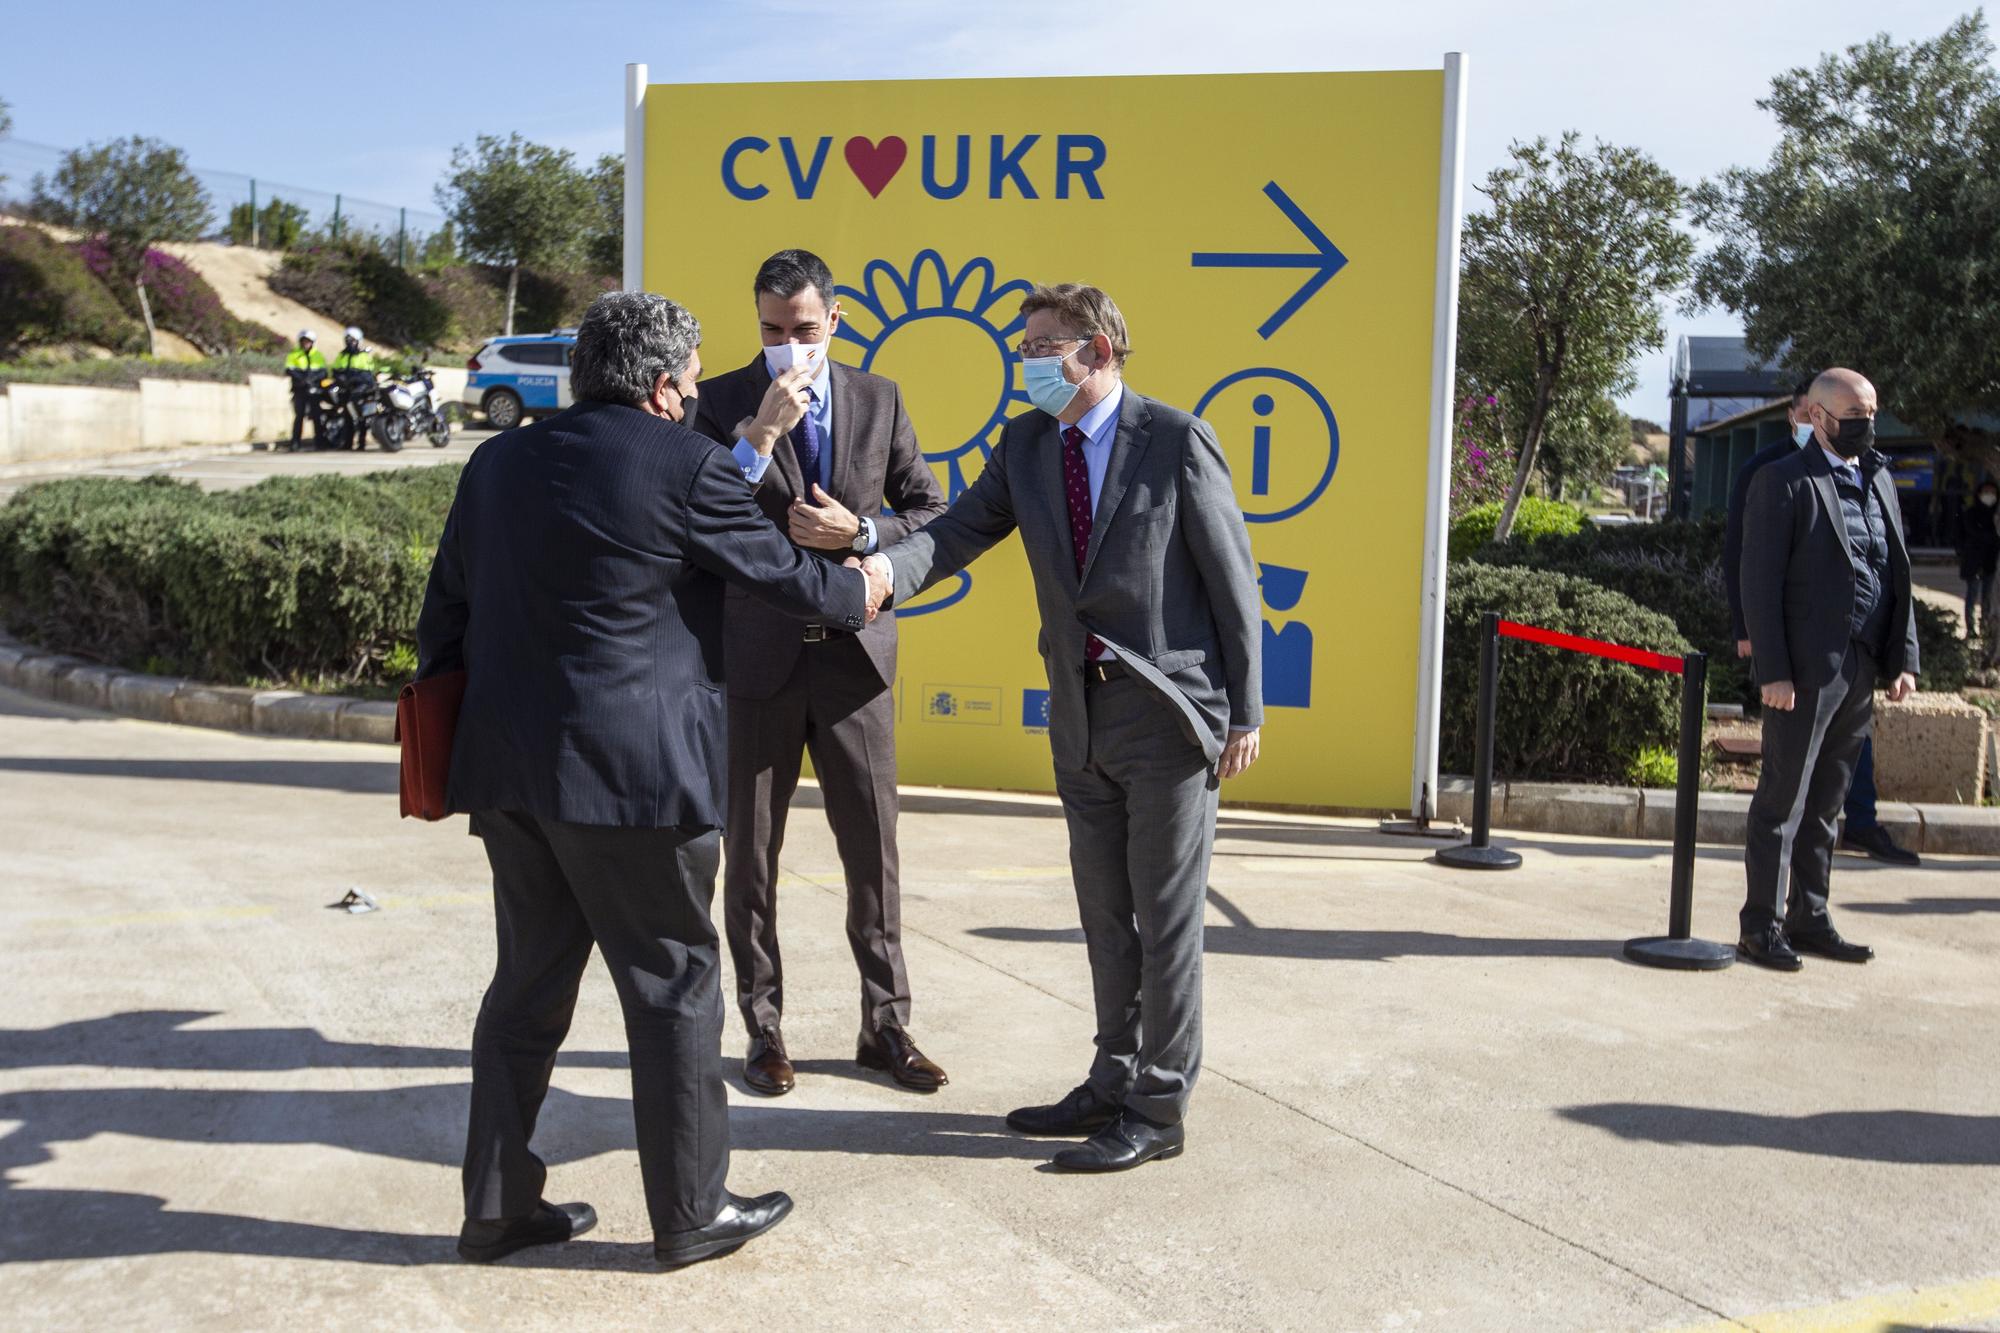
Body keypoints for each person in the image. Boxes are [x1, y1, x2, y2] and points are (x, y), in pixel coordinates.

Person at [415, 291, 887, 1269]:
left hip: (509, 775)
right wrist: (867, 581)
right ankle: (691, 1213)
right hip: (636, 788)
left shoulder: (497, 461)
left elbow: (445, 613)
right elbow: (794, 582)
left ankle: (497, 1208)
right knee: (675, 989)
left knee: (526, 991)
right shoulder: (686, 463)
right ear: (669, 386)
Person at [866, 283, 1262, 1172]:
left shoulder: (1175, 439)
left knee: (1166, 924)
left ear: (1101, 350)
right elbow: (958, 531)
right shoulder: (1027, 444)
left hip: (1168, 714)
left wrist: (1245, 711)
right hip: (1077, 715)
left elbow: (1236, 585)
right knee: (1104, 915)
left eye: (1045, 345)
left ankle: (1158, 1108)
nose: (1029, 361)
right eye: (1025, 346)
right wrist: (881, 572)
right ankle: (1113, 1076)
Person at [689, 249, 950, 1097]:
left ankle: (886, 1024)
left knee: (872, 852)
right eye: (771, 329)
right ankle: (764, 1031)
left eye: (803, 329)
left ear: (834, 322)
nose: (788, 345)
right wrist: (759, 430)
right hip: (756, 663)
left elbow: (929, 509)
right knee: (753, 858)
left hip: (855, 662)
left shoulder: (880, 398)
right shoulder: (721, 401)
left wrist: (863, 534)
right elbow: (698, 518)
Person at [1738, 368, 1919, 972]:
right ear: (1816, 416)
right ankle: (1760, 926)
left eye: (1872, 411)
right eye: (1854, 415)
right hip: (1805, 672)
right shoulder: (1781, 482)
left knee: (1826, 807)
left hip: (1864, 668)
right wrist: (1773, 671)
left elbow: (1899, 573)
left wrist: (1903, 658)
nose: (1867, 425)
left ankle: (1809, 918)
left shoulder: (1881, 478)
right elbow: (1758, 586)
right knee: (1781, 803)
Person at [1955, 476, 1999, 641]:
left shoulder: (1995, 515)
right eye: (1986, 492)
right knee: (1972, 596)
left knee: (1988, 598)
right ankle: (1971, 628)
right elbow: (1970, 534)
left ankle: (1985, 628)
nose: (1989, 495)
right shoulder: (1971, 513)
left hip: (1990, 563)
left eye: (1992, 492)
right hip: (1973, 562)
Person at [283, 329, 327, 451]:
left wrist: (312, 380)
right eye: (303, 341)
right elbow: (289, 370)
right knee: (299, 416)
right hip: (300, 390)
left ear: (312, 342)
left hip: (314, 390)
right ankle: (295, 443)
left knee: (316, 417)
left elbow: (323, 372)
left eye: (308, 341)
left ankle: (320, 442)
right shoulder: (294, 354)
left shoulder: (318, 355)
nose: (306, 344)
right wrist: (302, 380)